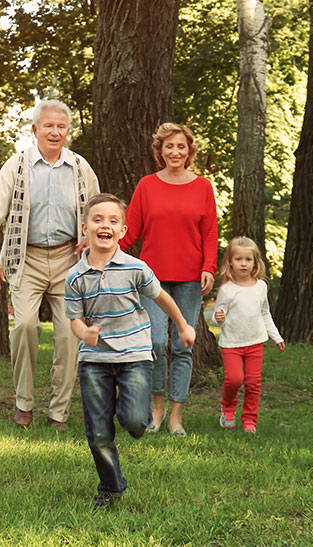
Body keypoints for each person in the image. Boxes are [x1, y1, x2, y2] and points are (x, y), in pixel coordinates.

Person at [65, 193, 196, 509]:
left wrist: (183, 325)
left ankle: (131, 414)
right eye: (98, 219)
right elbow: (75, 321)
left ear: (122, 231)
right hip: (95, 360)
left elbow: (161, 297)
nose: (105, 225)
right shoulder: (75, 276)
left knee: (136, 422)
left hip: (134, 356)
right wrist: (85, 333)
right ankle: (111, 488)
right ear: (85, 228)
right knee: (98, 433)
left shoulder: (136, 268)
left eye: (113, 221)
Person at [0, 99, 100, 430]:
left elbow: (97, 212)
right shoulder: (17, 166)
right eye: (48, 126)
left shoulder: (80, 168)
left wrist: (92, 238)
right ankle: (24, 403)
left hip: (68, 260)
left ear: (68, 131)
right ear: (35, 130)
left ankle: (59, 412)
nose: (54, 132)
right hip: (26, 258)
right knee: (25, 326)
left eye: (61, 126)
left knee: (69, 335)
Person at [119, 122, 218, 437]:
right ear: (160, 151)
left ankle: (176, 416)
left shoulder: (203, 187)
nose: (175, 152)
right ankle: (157, 408)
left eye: (181, 146)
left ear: (189, 152)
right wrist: (101, 247)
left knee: (184, 346)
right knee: (156, 343)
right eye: (169, 146)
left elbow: (210, 233)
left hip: (190, 279)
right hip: (152, 279)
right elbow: (130, 232)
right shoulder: (147, 186)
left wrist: (209, 267)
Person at [212, 236, 285, 435]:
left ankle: (250, 419)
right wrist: (218, 317)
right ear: (230, 262)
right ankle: (228, 408)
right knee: (234, 380)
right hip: (231, 343)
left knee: (253, 384)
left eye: (248, 259)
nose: (243, 264)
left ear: (255, 262)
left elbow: (265, 313)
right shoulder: (227, 290)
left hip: (255, 342)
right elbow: (217, 316)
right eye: (238, 259)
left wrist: (276, 337)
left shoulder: (261, 287)